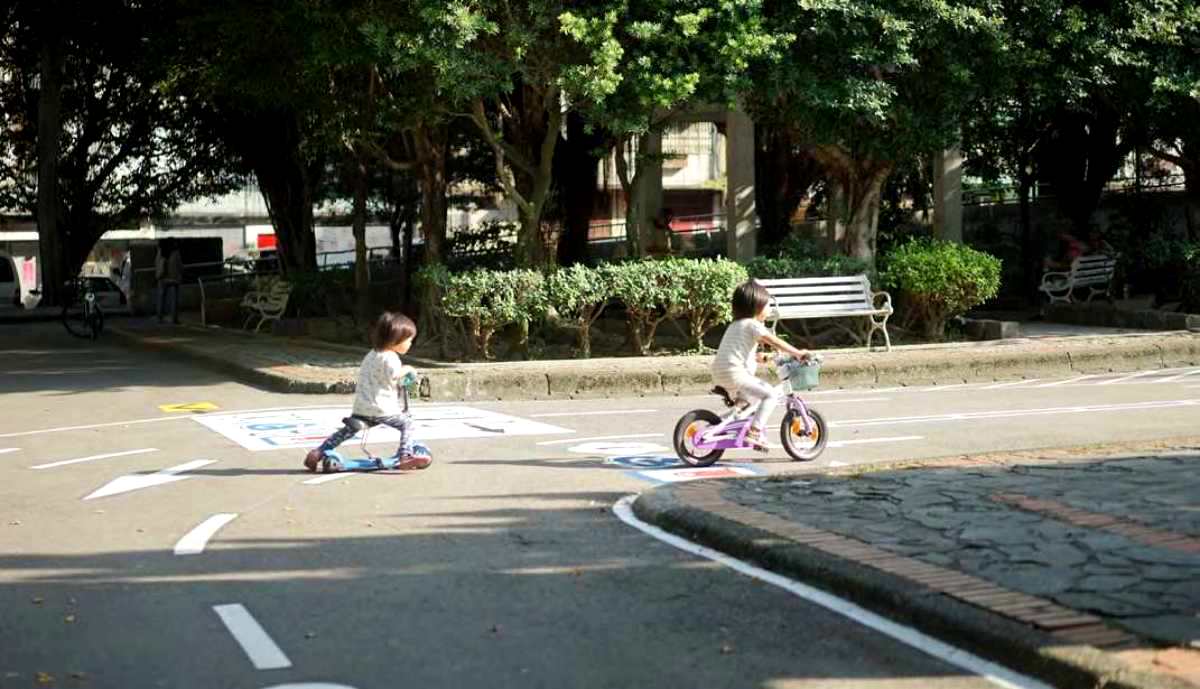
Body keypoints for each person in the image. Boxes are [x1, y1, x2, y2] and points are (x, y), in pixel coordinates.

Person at [304, 311, 432, 472]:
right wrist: (408, 369)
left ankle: (318, 452)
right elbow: (395, 375)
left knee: (347, 431)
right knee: (407, 423)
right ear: (395, 339)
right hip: (380, 409)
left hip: (361, 407)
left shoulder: (372, 354)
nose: (410, 344)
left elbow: (380, 378)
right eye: (409, 340)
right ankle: (405, 455)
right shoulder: (390, 357)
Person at [711, 280, 811, 449]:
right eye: (767, 305)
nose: (769, 309)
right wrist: (798, 353)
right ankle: (755, 432)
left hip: (721, 372)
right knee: (770, 395)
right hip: (735, 374)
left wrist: (764, 358)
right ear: (756, 307)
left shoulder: (736, 325)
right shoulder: (752, 325)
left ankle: (730, 421)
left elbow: (743, 353)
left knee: (745, 405)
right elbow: (774, 340)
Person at [155, 239, 183, 324]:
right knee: (174, 299)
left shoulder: (161, 252)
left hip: (162, 277)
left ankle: (159, 317)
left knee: (161, 298)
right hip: (173, 278)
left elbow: (156, 263)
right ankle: (174, 318)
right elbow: (180, 266)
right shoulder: (175, 253)